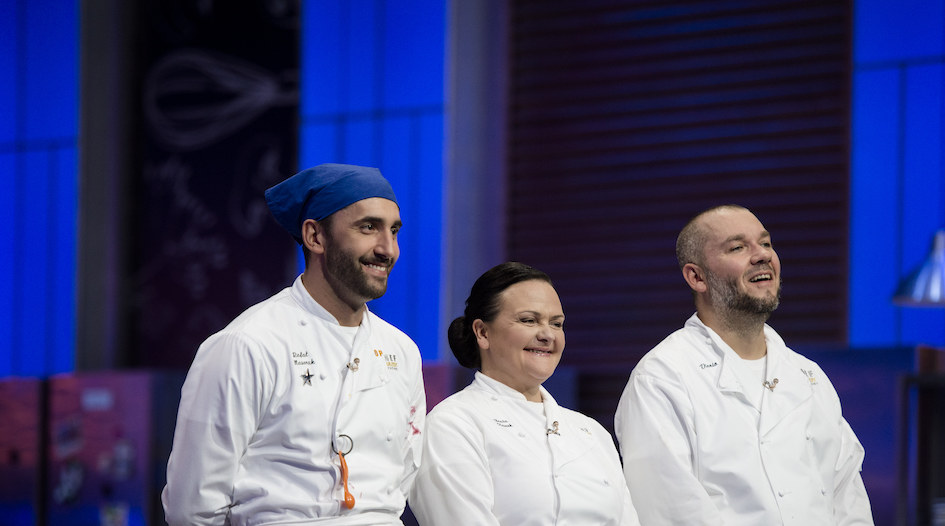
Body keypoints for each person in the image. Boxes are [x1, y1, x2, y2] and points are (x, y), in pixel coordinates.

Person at [162, 163, 425, 526]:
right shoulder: (247, 345)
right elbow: (191, 508)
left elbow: (405, 475)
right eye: (368, 227)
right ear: (315, 236)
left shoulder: (402, 351)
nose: (388, 249)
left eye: (394, 231)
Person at [614, 204, 874, 525]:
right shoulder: (662, 378)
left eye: (765, 243)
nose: (762, 255)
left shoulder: (809, 377)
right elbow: (671, 510)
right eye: (738, 247)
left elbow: (848, 497)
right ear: (697, 277)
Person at [408, 262, 640, 526]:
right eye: (529, 320)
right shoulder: (453, 424)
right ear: (482, 332)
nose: (547, 335)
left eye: (557, 324)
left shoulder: (593, 432)